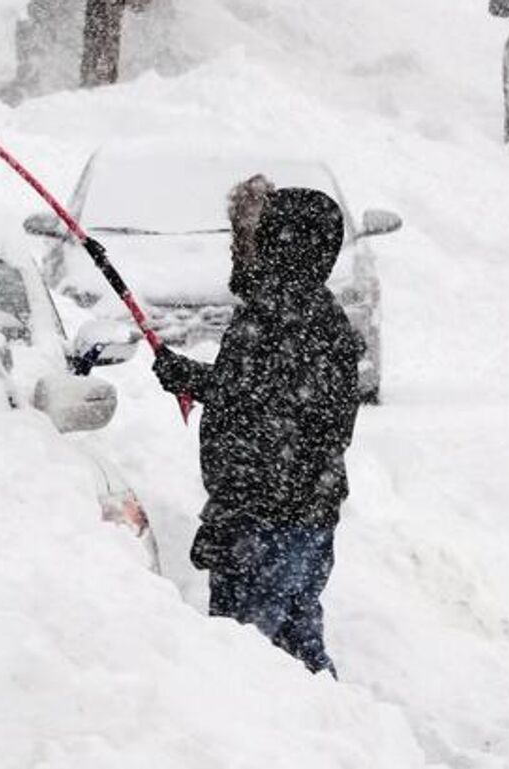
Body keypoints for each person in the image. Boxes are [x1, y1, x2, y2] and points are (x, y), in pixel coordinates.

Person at [151, 179, 364, 676]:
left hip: (266, 520)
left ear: (279, 243)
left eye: (256, 238)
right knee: (294, 644)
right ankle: (335, 733)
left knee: (247, 663)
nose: (243, 250)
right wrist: (197, 379)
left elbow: (263, 406)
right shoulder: (312, 314)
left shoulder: (281, 315)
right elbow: (261, 395)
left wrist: (201, 383)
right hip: (298, 515)